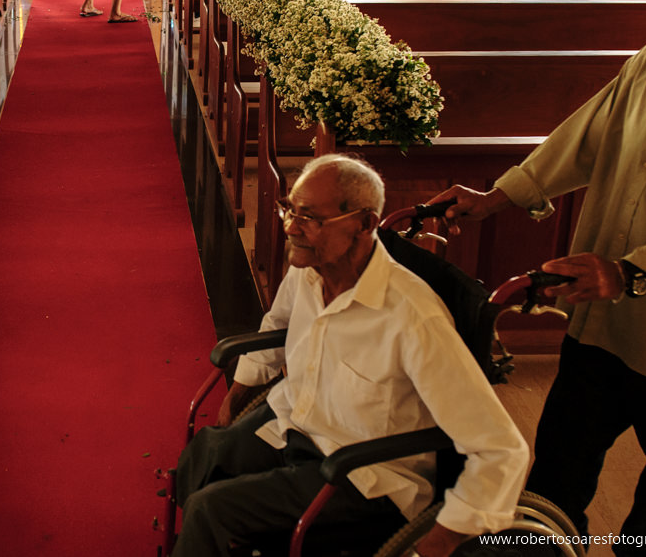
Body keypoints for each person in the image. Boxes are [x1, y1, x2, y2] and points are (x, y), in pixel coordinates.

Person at [426, 0, 646, 555]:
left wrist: (629, 273)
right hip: (599, 329)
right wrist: (492, 199)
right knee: (555, 479)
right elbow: (578, 142)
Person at [173, 155, 529, 557]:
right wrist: (235, 396)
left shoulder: (413, 318)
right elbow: (277, 325)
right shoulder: (309, 267)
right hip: (300, 424)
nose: (290, 227)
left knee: (210, 510)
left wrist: (441, 540)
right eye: (288, 209)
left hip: (364, 475)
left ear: (365, 224)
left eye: (309, 217)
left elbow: (502, 449)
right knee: (205, 455)